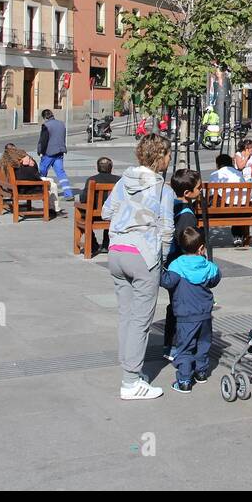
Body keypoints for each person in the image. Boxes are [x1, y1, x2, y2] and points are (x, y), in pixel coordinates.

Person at [102, 134, 175, 400]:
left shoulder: (123, 182)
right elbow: (167, 229)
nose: (170, 159)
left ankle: (129, 370)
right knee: (140, 321)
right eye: (168, 154)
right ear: (160, 157)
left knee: (126, 315)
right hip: (144, 255)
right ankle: (131, 382)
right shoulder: (163, 190)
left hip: (117, 251)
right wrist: (162, 259)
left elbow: (106, 212)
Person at [159, 227, 221, 393]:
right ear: (201, 249)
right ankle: (201, 372)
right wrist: (208, 264)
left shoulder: (177, 265)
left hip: (185, 316)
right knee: (203, 345)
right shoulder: (208, 266)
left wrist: (159, 270)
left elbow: (167, 282)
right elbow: (215, 279)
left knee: (185, 347)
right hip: (205, 315)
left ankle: (185, 380)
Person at [162, 169, 204, 359]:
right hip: (183, 265)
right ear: (187, 193)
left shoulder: (173, 205)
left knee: (174, 305)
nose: (201, 191)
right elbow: (187, 242)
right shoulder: (187, 215)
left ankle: (168, 344)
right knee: (182, 307)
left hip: (172, 263)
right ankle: (177, 346)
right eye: (198, 188)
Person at [83, 157, 120, 254]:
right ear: (111, 168)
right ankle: (106, 244)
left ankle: (93, 245)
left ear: (97, 168)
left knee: (82, 215)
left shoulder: (91, 180)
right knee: (111, 213)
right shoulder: (118, 180)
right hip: (113, 215)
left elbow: (83, 199)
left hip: (94, 215)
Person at [36, 109, 74, 201]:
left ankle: (41, 191)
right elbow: (63, 137)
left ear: (45, 117)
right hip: (60, 151)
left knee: (42, 172)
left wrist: (40, 151)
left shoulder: (46, 125)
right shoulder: (61, 124)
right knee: (61, 172)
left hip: (49, 152)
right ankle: (68, 194)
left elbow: (43, 140)